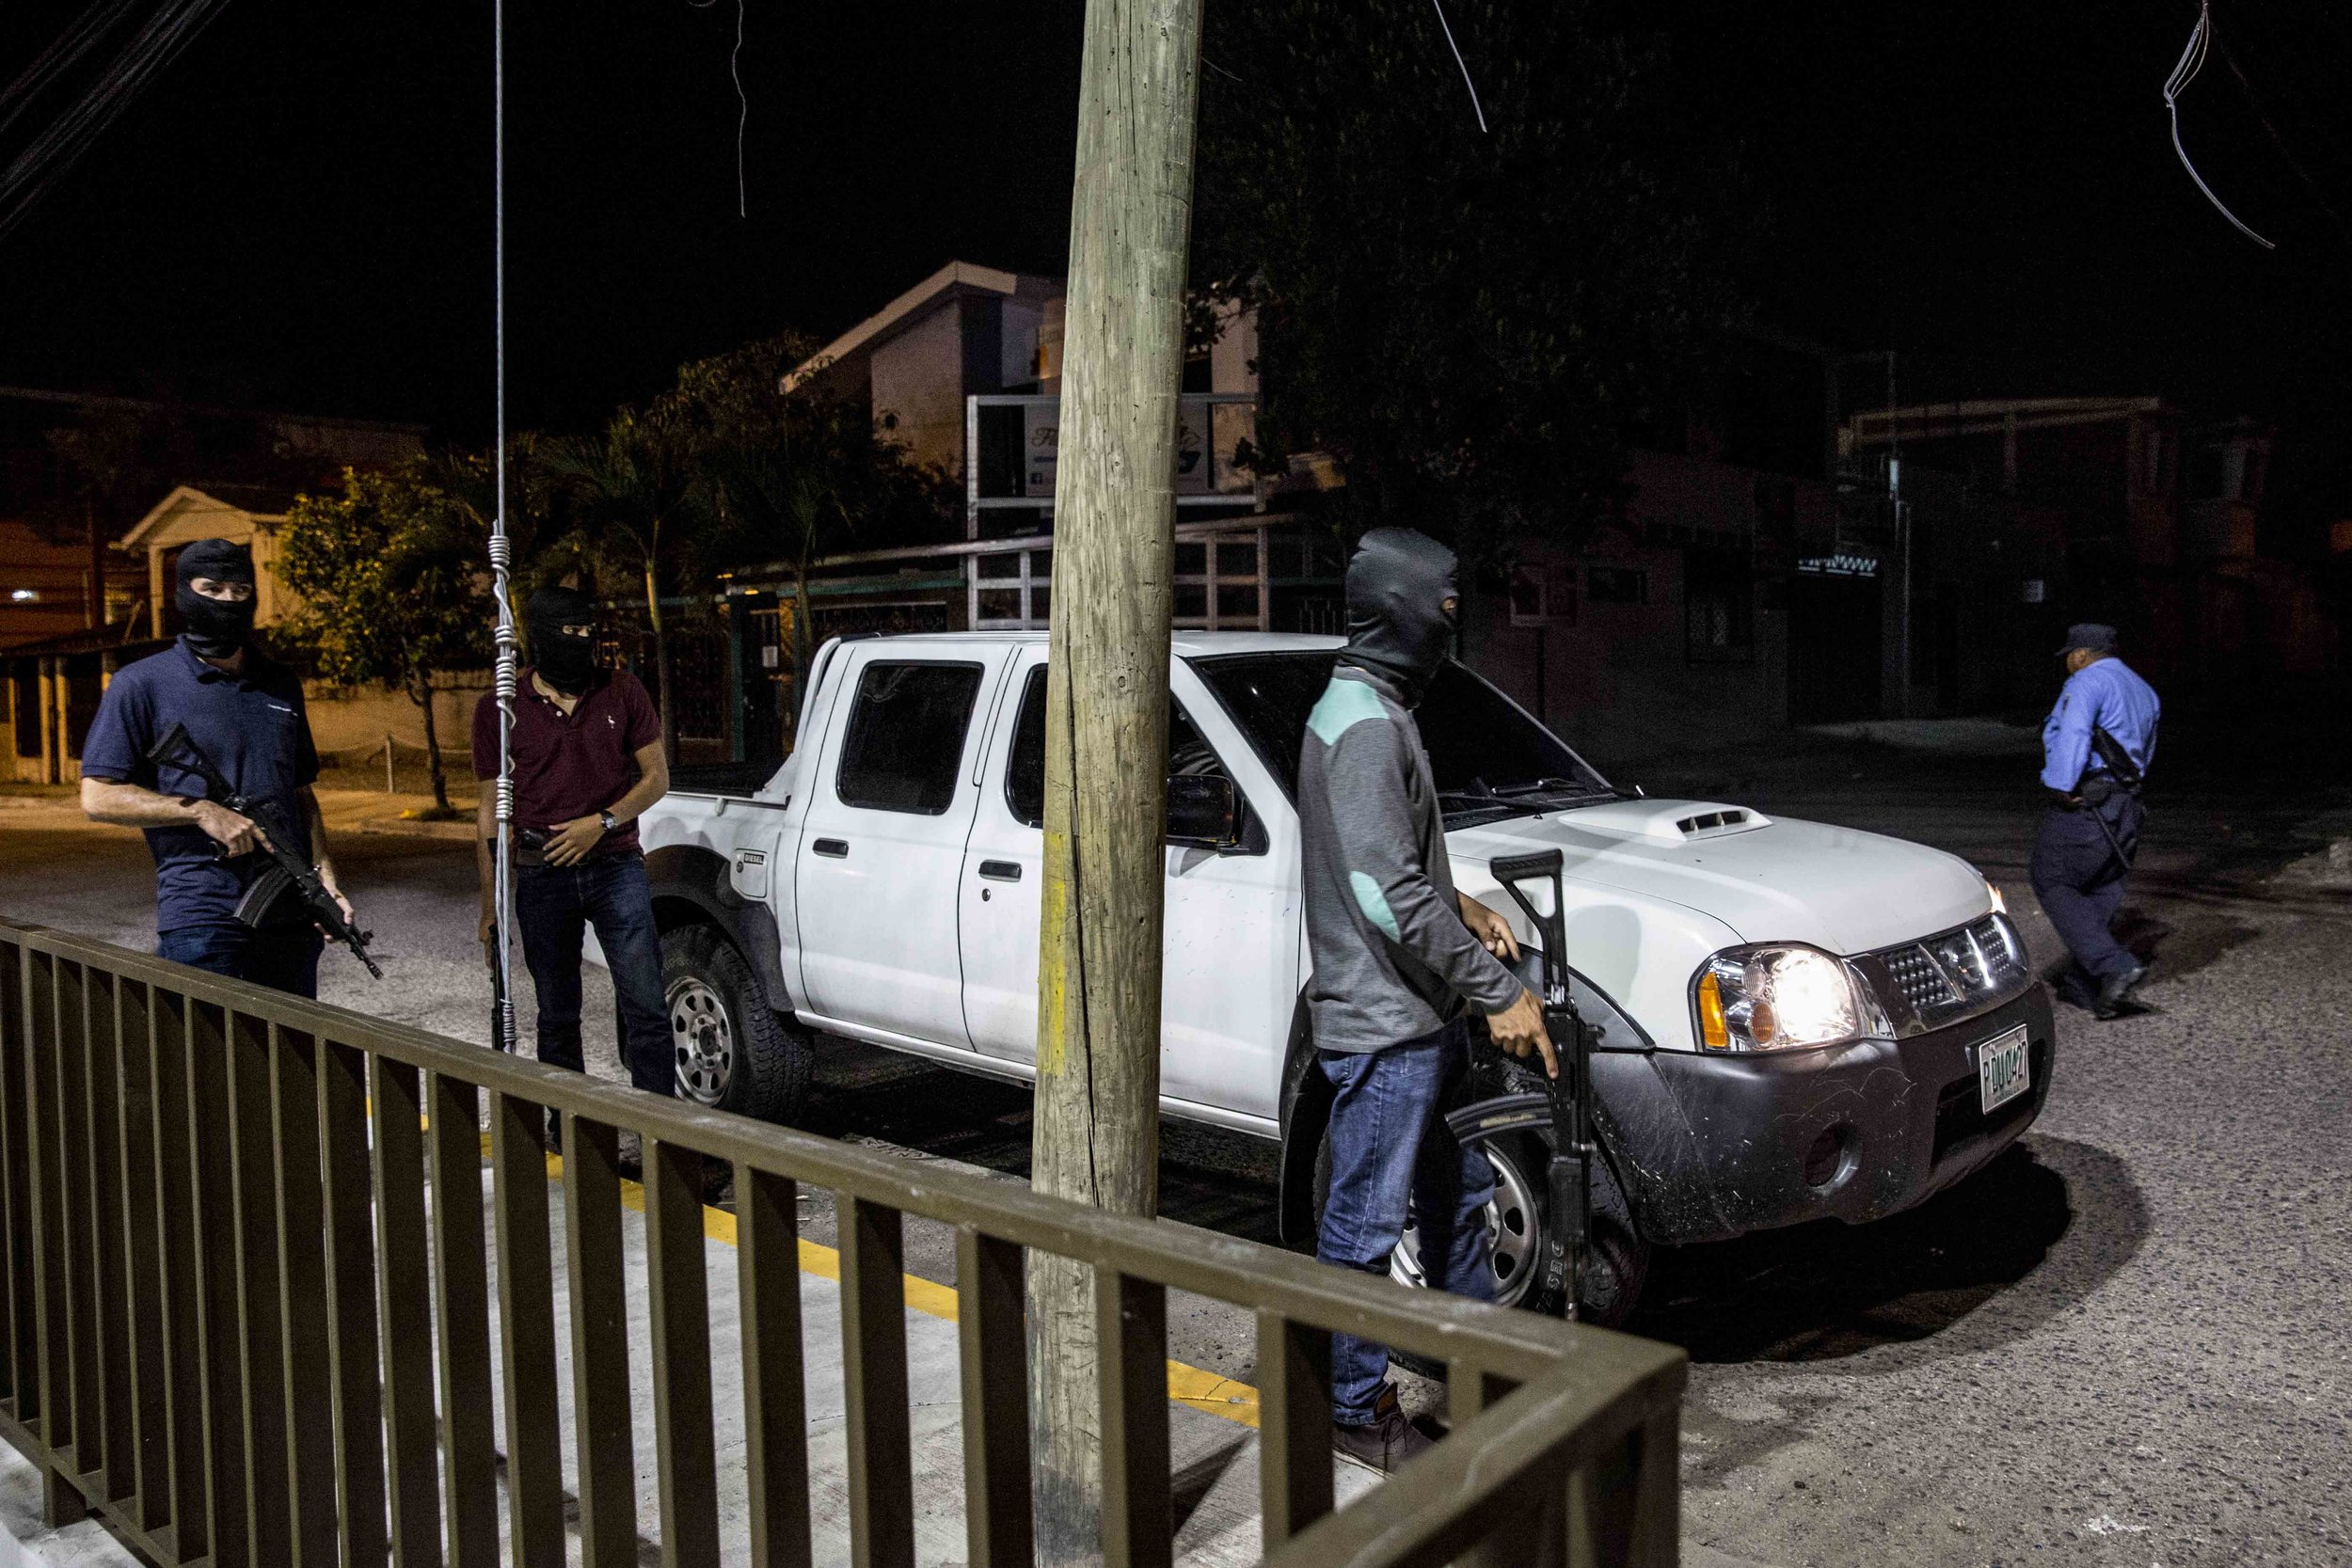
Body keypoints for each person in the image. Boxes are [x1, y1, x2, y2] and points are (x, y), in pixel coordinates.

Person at [1297, 527, 1555, 1472]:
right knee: (1364, 1225)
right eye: (1444, 610)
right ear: (1404, 613)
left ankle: (1480, 1372)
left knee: (1458, 1197)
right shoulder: (1364, 723)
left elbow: (1393, 863)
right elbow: (1379, 892)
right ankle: (1356, 1410)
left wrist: (1463, 901)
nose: (1454, 626)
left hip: (1417, 1016)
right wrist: (1497, 992)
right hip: (1386, 1026)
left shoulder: (1373, 706)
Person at [78, 537, 351, 997]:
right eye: (213, 588)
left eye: (240, 591)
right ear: (186, 594)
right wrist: (200, 811)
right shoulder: (141, 684)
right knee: (204, 1060)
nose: (227, 601)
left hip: (288, 912)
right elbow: (97, 795)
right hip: (201, 914)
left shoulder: (279, 684)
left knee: (293, 1061)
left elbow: (301, 793)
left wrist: (326, 882)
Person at [473, 586, 675, 1100]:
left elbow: (655, 779)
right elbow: (489, 815)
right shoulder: (501, 708)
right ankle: (572, 1130)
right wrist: (490, 903)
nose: (582, 642)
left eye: (589, 631)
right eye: (569, 633)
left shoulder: (623, 690)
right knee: (557, 1015)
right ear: (539, 637)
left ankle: (663, 1132)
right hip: (542, 874)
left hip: (616, 866)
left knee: (647, 1006)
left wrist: (601, 823)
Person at [2031, 622, 2160, 1020]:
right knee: (2099, 886)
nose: (2068, 664)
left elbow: (2075, 733)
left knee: (2052, 878)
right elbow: (2144, 752)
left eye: (2069, 657)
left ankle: (2115, 966)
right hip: (2127, 806)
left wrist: (2061, 784)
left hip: (2090, 800)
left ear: (2081, 654)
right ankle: (2084, 984)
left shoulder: (2086, 682)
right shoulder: (2145, 690)